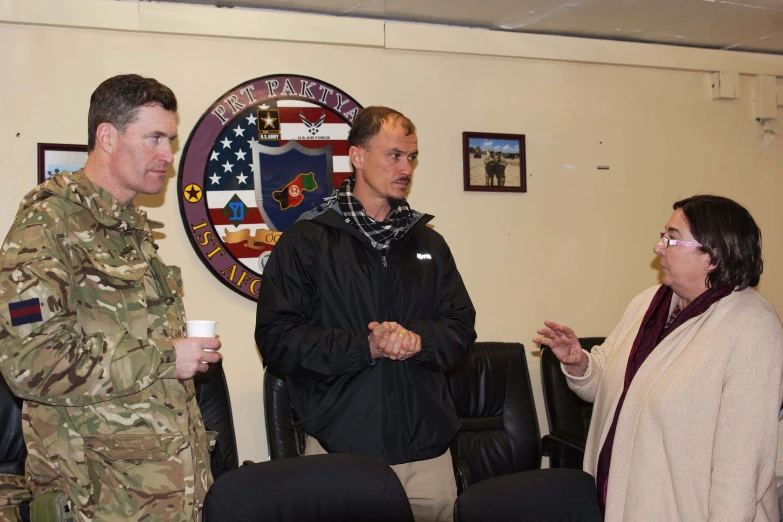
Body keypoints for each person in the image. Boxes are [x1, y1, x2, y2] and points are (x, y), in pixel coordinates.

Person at [0, 75, 221, 521]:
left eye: (172, 141)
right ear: (107, 136)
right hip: (97, 500)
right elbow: (29, 361)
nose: (168, 156)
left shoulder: (130, 229)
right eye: (154, 138)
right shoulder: (47, 226)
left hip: (164, 494)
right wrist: (165, 357)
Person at [255, 106, 476, 522]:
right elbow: (277, 340)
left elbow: (462, 330)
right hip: (343, 452)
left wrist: (419, 341)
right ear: (357, 157)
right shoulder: (306, 241)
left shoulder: (429, 245)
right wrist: (365, 347)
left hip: (428, 457)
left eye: (411, 157)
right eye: (394, 155)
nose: (405, 167)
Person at [534, 195, 783, 521]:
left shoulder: (752, 327)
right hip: (625, 500)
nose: (657, 247)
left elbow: (742, 465)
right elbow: (608, 387)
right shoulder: (648, 303)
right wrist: (578, 362)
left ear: (712, 255)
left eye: (671, 237)